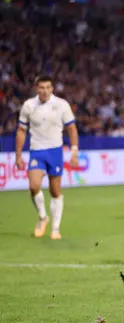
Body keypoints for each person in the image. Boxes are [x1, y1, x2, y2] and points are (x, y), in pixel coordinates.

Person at [15, 75, 79, 240]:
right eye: (41, 88)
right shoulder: (29, 106)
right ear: (37, 88)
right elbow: (21, 131)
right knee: (34, 185)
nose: (44, 91)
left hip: (55, 151)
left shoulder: (61, 105)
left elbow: (71, 128)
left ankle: (56, 229)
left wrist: (74, 152)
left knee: (55, 191)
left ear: (52, 89)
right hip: (37, 151)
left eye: (47, 87)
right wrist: (18, 155)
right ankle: (43, 217)